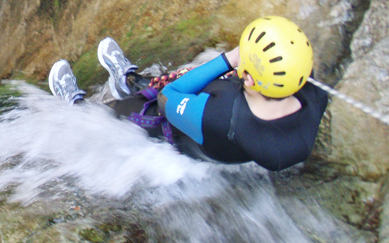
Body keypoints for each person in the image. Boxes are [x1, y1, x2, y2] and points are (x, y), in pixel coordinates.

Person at [48, 16, 329, 171]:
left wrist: (228, 60)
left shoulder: (221, 117)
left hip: (173, 133)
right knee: (174, 83)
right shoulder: (310, 93)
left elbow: (170, 96)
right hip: (219, 144)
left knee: (119, 118)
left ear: (252, 81)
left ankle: (76, 111)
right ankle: (129, 82)